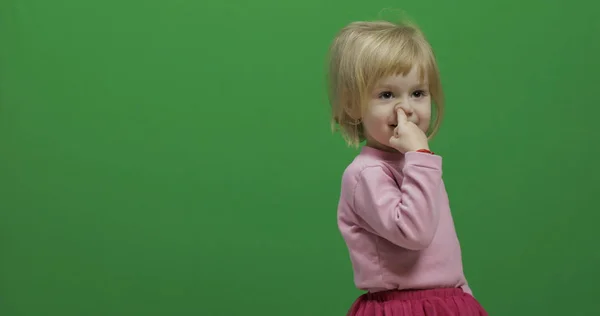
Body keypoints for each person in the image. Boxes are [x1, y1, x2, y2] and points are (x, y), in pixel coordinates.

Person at [327, 17, 488, 316]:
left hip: (447, 302)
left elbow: (444, 252)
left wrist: (463, 296)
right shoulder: (367, 175)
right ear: (352, 105)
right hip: (402, 308)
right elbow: (414, 233)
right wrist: (420, 155)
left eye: (418, 93)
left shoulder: (417, 163)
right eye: (387, 95)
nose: (406, 109)